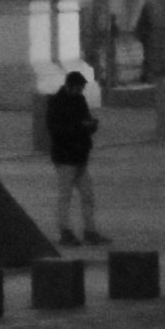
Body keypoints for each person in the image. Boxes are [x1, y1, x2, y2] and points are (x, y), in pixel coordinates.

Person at [36, 63, 103, 246]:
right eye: (79, 88)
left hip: (80, 157)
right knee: (65, 196)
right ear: (70, 86)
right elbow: (57, 130)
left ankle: (90, 230)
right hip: (65, 157)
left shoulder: (79, 100)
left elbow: (84, 120)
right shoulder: (56, 103)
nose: (81, 91)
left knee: (88, 195)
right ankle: (65, 231)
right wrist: (81, 127)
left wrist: (90, 126)